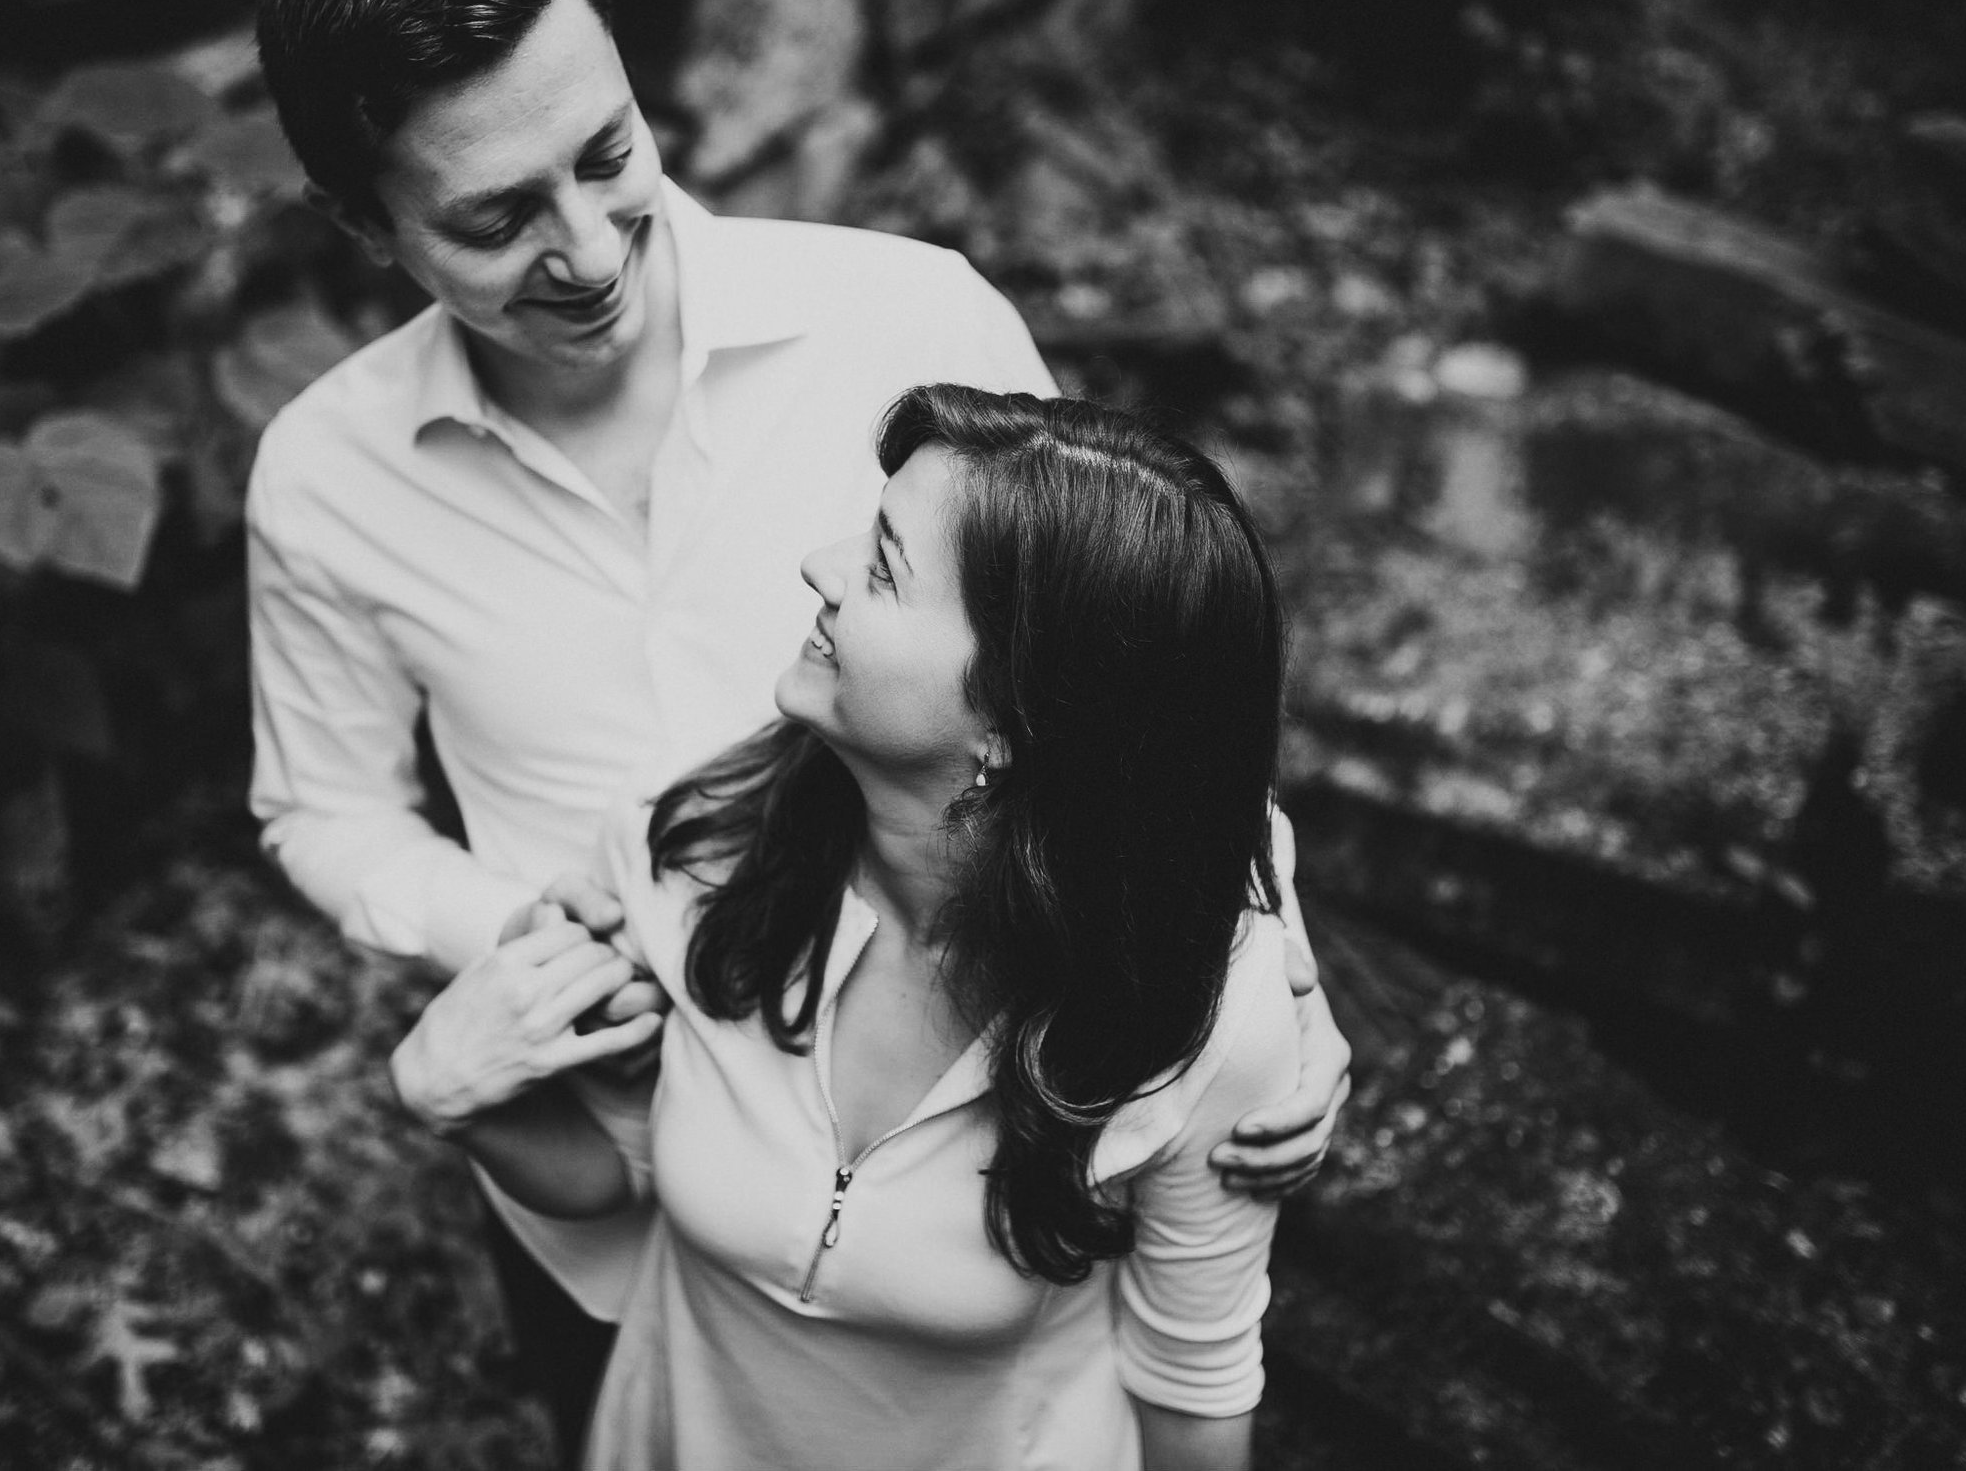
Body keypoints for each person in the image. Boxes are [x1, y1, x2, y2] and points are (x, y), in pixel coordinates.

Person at [246, 0, 1351, 1461]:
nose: (587, 249)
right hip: (595, 1124)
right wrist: (545, 948)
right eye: (495, 219)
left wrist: (1280, 981)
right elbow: (321, 809)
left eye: (609, 156)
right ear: (361, 222)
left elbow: (1130, 676)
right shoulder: (324, 475)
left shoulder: (907, 320)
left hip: (970, 1109)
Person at [394, 384, 1299, 1469]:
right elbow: (622, 1165)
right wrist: (455, 1099)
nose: (818, 566)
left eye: (880, 567)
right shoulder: (693, 853)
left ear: (1018, 721)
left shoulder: (1197, 1013)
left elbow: (1192, 1390)